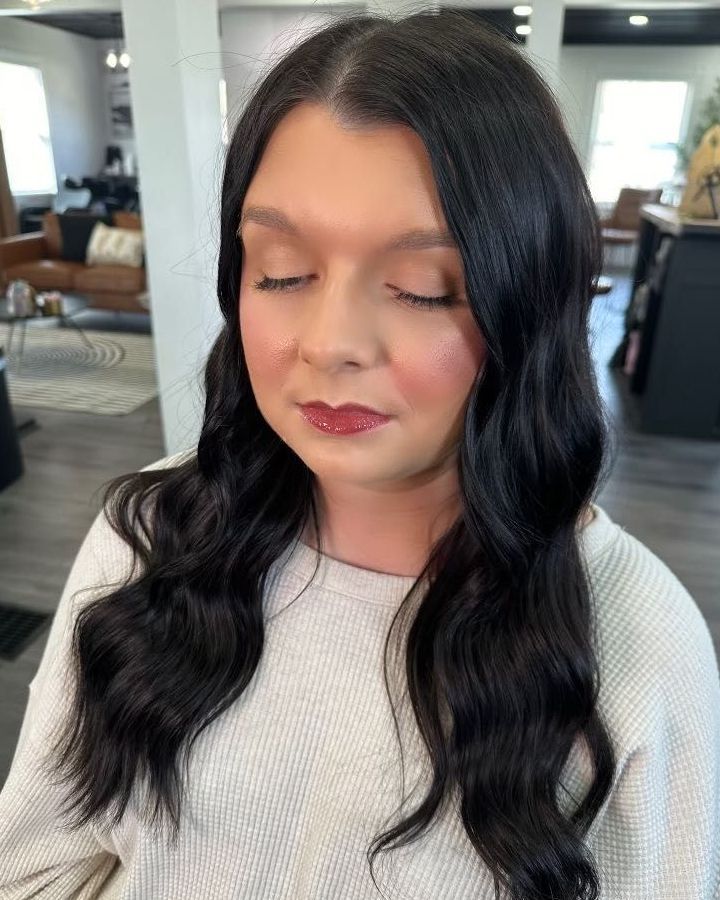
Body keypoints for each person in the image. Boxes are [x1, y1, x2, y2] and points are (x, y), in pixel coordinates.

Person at [1, 9, 718, 900]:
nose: (329, 342)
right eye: (283, 273)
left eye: (423, 288)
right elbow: (30, 868)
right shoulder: (149, 534)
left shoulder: (640, 639)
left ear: (528, 304)